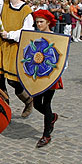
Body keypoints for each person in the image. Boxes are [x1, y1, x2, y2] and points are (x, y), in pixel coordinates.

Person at [30, 9, 63, 148]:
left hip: (51, 75)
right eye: (37, 22)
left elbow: (61, 57)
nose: (39, 24)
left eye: (41, 22)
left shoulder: (55, 37)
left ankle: (46, 135)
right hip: (39, 74)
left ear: (48, 22)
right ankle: (51, 118)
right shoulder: (35, 37)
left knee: (47, 103)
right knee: (37, 104)